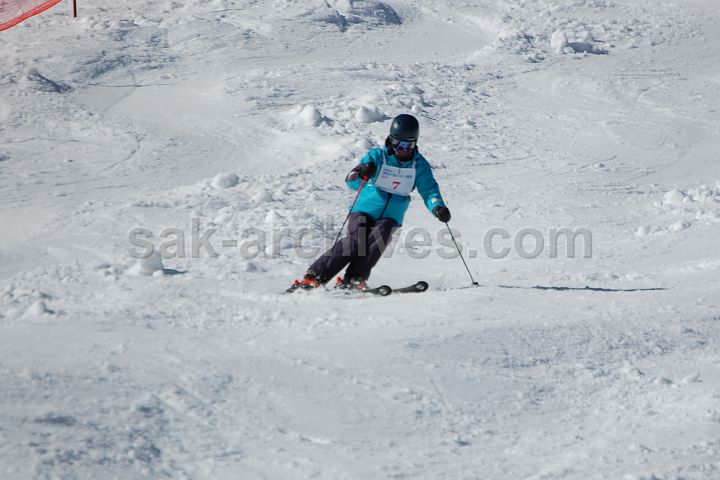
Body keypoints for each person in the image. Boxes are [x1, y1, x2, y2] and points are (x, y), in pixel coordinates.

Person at [297, 113, 451, 290]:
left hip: (392, 215)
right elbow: (351, 181)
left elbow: (429, 190)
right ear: (391, 140)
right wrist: (363, 172)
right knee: (356, 240)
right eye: (398, 144)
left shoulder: (419, 165)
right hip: (364, 209)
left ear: (415, 143)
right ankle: (315, 276)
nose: (403, 149)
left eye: (408, 145)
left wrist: (438, 207)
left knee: (380, 236)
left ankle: (354, 279)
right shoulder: (377, 156)